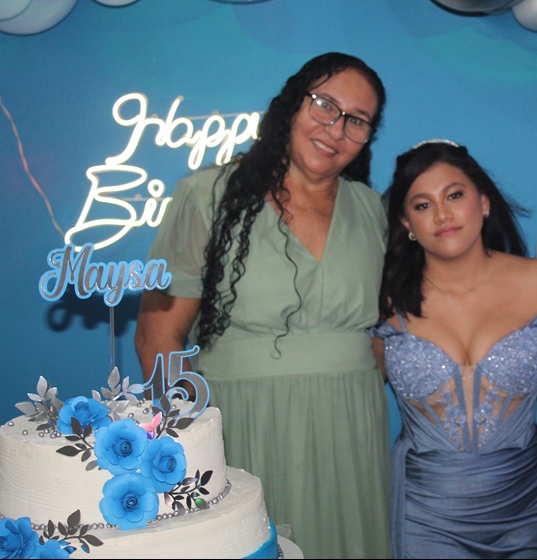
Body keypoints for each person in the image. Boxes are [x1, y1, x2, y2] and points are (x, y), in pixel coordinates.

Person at [135, 52, 391, 559]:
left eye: (357, 120)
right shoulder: (205, 195)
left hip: (351, 431)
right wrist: (190, 446)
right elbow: (157, 336)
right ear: (291, 105)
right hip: (244, 424)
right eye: (324, 105)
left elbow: (384, 334)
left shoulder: (373, 210)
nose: (336, 129)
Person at [369, 140, 537, 559]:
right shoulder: (386, 301)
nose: (442, 215)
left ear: (483, 202)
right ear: (407, 223)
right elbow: (357, 399)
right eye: (423, 205)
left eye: (454, 195)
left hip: (527, 506)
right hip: (426, 514)